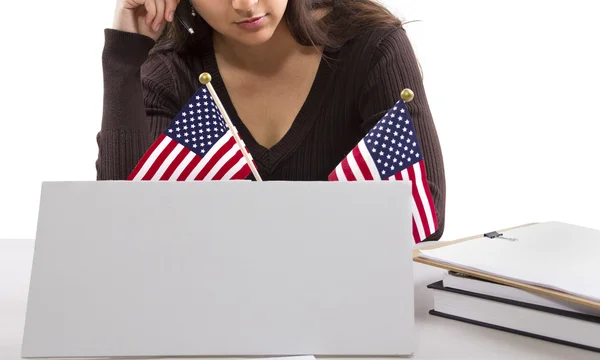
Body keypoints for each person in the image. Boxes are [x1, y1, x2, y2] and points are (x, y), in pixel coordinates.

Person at [97, 0, 446, 240]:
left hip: (343, 321)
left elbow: (424, 213)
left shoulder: (371, 46)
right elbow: (123, 228)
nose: (246, 4)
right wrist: (123, 58)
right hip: (213, 326)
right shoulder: (173, 73)